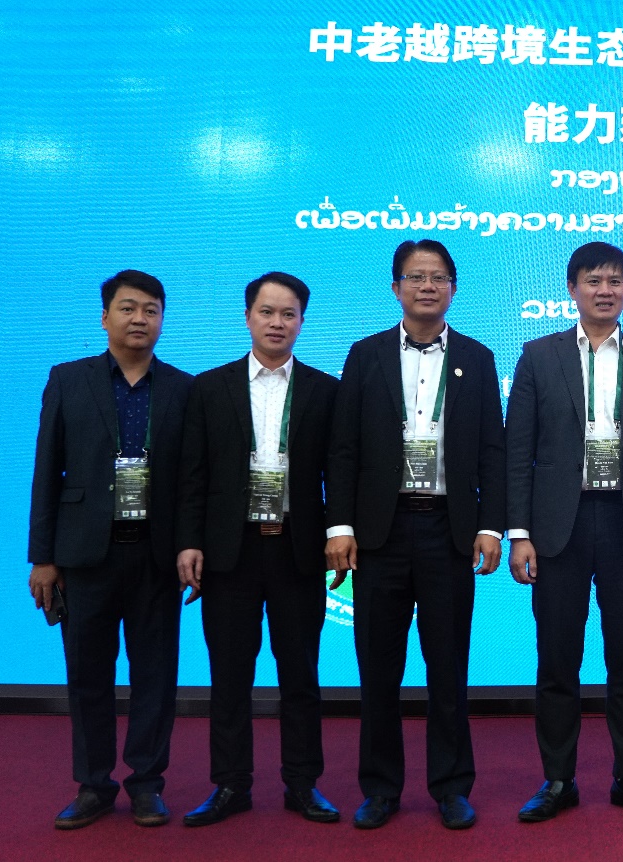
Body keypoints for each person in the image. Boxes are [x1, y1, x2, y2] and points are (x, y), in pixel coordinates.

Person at [325, 240, 506, 830]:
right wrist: (341, 525)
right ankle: (380, 788)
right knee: (378, 668)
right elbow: (343, 448)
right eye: (415, 276)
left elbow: (492, 450)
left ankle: (451, 786)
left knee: (447, 667)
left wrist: (490, 526)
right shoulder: (366, 354)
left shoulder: (477, 358)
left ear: (453, 287)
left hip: (448, 531)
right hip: (379, 534)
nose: (427, 286)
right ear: (396, 287)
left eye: (438, 277)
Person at [505, 241, 623, 822]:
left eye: (614, 281)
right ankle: (558, 780)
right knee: (557, 660)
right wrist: (519, 533)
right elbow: (518, 451)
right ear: (572, 288)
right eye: (593, 280)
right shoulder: (539, 356)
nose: (604, 291)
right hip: (559, 527)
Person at [28, 270, 192, 829]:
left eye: (151, 309)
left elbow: (192, 480)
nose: (139, 319)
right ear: (105, 317)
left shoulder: (183, 388)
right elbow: (46, 471)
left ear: (162, 320)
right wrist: (43, 557)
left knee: (156, 678)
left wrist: (190, 546)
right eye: (127, 308)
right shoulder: (68, 379)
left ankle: (147, 783)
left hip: (155, 555)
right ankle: (93, 784)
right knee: (88, 676)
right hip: (84, 556)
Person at [175, 273, 341, 826]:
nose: (277, 323)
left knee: (301, 675)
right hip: (230, 552)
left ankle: (302, 784)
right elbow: (192, 475)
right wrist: (189, 542)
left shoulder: (324, 390)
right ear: (247, 317)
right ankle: (230, 785)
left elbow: (337, 474)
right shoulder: (209, 387)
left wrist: (338, 534)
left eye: (288, 314)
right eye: (267, 312)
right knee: (229, 677)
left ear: (302, 322)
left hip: (297, 549)